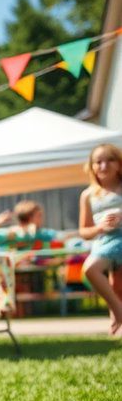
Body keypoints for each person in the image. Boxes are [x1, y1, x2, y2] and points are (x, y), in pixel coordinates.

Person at [79, 143, 122, 336]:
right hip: (103, 243)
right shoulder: (88, 195)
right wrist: (100, 228)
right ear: (92, 167)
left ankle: (117, 318)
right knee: (90, 269)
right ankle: (118, 312)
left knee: (117, 287)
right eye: (99, 162)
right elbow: (84, 231)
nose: (104, 166)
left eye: (110, 160)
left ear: (119, 164)